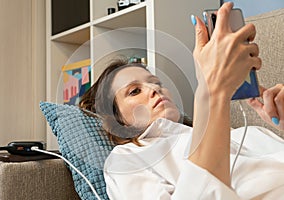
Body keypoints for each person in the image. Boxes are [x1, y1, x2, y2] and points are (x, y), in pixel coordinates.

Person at [79, 2, 284, 199]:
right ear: (117, 120)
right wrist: (211, 91)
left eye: (156, 82)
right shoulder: (128, 160)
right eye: (134, 91)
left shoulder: (247, 133)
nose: (154, 90)